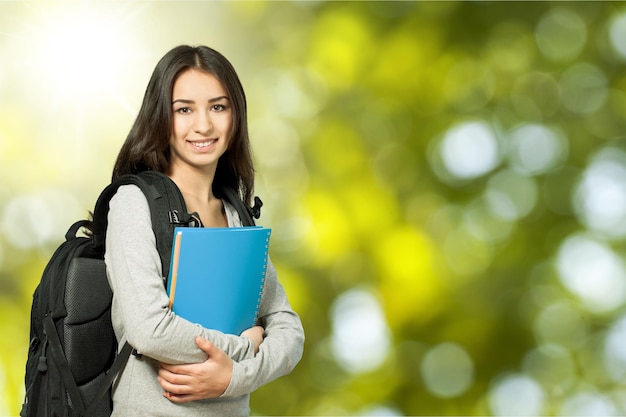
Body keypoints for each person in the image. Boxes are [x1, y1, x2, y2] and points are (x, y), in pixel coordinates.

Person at [104, 45, 305, 416]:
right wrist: (246, 347)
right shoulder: (134, 203)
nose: (203, 125)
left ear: (236, 116)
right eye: (184, 109)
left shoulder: (236, 215)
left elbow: (288, 330)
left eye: (218, 107)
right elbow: (150, 330)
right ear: (161, 118)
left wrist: (234, 378)